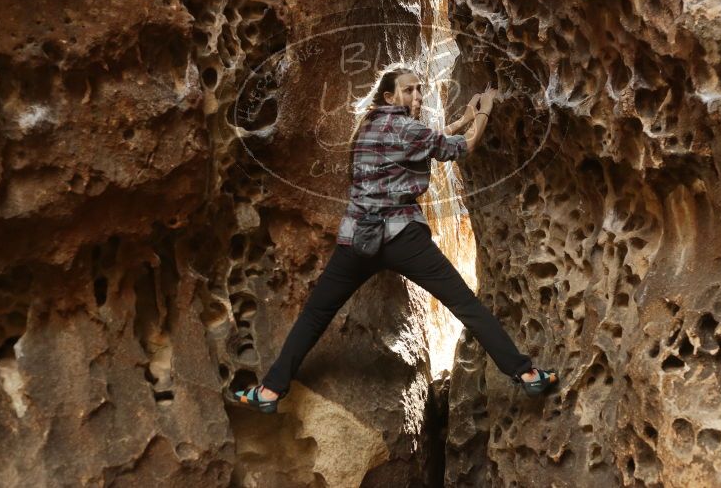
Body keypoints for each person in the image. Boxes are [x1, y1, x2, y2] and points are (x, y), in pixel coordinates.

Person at [233, 66, 559, 413]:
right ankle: (527, 376)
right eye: (408, 91)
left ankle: (269, 391)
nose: (417, 97)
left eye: (420, 90)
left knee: (315, 315)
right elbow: (463, 148)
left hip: (357, 239)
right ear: (390, 96)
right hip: (403, 238)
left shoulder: (368, 128)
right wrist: (484, 111)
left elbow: (423, 142)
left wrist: (462, 119)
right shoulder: (406, 127)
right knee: (466, 305)